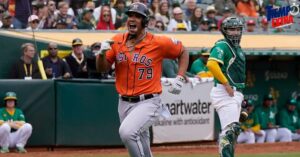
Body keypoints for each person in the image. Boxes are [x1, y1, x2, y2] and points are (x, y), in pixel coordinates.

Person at [96, 2, 189, 157]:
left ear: (145, 21)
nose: (132, 19)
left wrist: (179, 77)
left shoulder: (157, 42)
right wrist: (101, 54)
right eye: (130, 15)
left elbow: (183, 51)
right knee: (141, 144)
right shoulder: (117, 41)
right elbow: (102, 68)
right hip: (124, 102)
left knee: (127, 133)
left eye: (137, 16)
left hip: (148, 101)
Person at [206, 16, 246, 157]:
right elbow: (211, 63)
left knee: (233, 133)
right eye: (231, 29)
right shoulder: (223, 44)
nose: (235, 32)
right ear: (224, 30)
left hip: (235, 93)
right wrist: (226, 83)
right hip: (225, 91)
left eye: (237, 29)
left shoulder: (237, 47)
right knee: (229, 132)